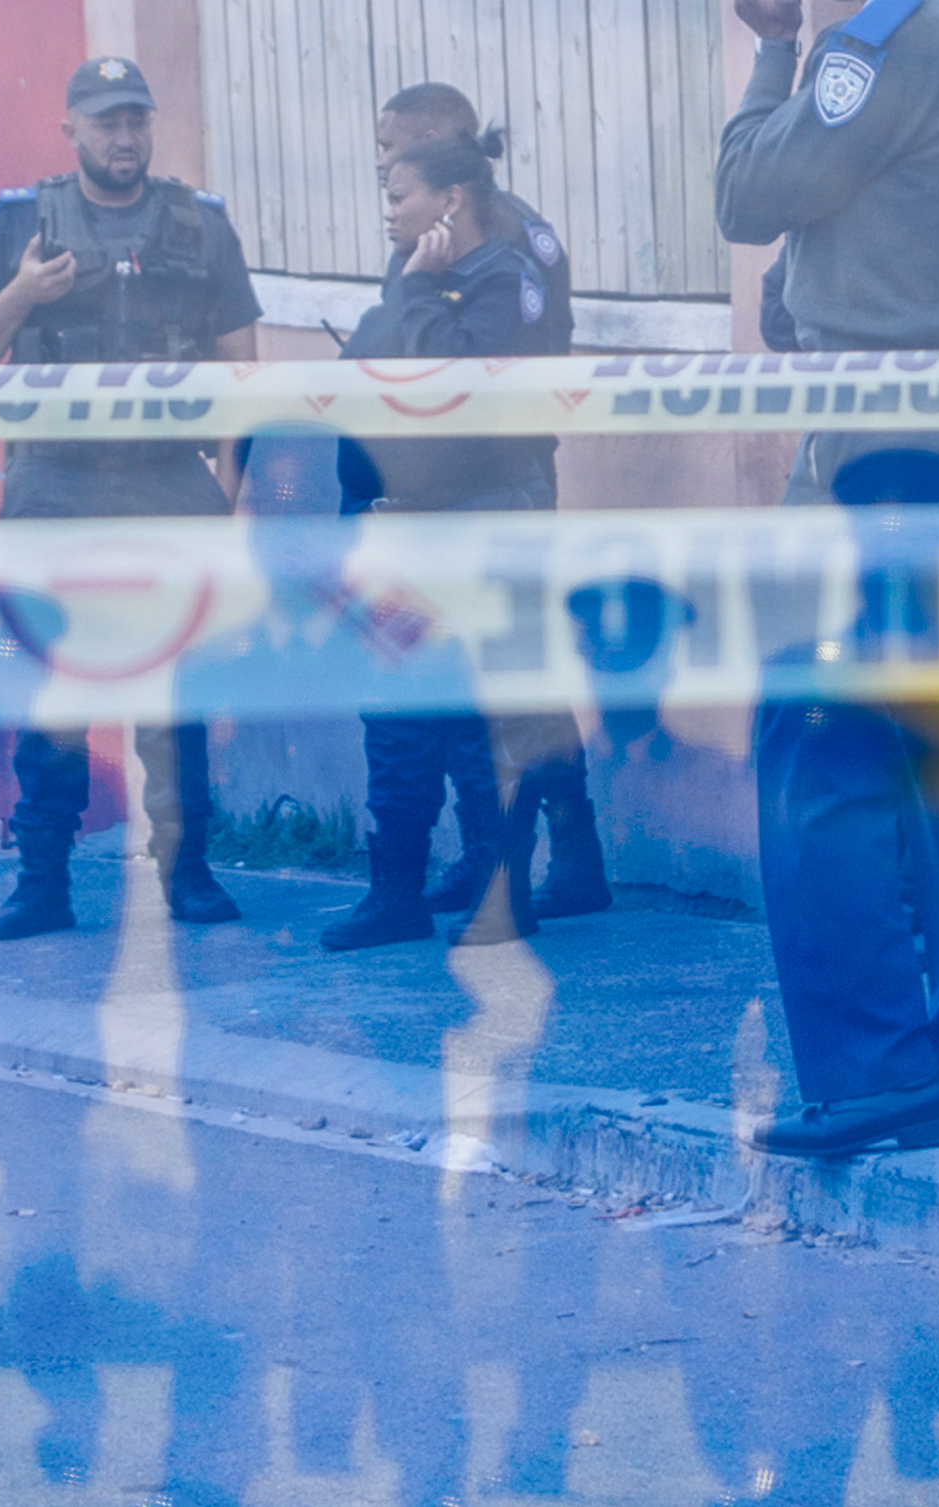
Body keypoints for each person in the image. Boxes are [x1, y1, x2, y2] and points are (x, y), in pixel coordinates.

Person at [716, 0, 939, 1157]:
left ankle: (871, 1075)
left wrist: (774, 49)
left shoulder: (877, 42)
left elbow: (745, 193)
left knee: (819, 750)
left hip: (868, 454)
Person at [0, 56, 262, 941]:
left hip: (166, 477)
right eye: (106, 122)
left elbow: (244, 369)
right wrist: (23, 291)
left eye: (136, 122)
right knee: (52, 686)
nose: (124, 139)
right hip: (57, 478)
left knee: (175, 686)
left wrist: (225, 492)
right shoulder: (18, 222)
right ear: (71, 130)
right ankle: (42, 879)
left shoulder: (199, 224)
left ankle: (185, 871)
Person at [320, 134, 573, 952]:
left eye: (399, 194)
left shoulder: (504, 279)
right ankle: (392, 892)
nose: (387, 210)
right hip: (400, 524)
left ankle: (504, 893)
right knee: (395, 712)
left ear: (449, 200)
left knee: (482, 715)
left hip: (480, 520)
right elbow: (363, 369)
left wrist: (420, 291)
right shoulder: (413, 281)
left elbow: (449, 389)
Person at [371, 84, 612, 923]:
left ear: (448, 160)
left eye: (395, 156)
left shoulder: (503, 243)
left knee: (516, 678)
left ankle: (540, 860)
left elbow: (477, 370)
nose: (384, 176)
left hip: (497, 476)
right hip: (444, 484)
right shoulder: (432, 236)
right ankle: (498, 859)